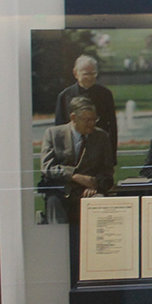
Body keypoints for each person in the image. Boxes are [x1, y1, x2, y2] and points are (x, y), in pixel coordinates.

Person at [40, 96, 115, 224]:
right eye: (87, 120)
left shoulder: (101, 137)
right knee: (54, 203)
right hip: (60, 192)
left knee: (100, 202)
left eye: (94, 119)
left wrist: (95, 184)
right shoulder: (53, 135)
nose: (92, 123)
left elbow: (107, 171)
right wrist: (74, 176)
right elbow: (47, 167)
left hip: (89, 192)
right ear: (73, 117)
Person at [54, 54, 118, 163]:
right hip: (72, 152)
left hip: (99, 151)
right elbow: (59, 128)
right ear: (75, 73)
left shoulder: (105, 94)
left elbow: (112, 126)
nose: (90, 77)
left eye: (93, 73)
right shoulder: (64, 96)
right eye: (86, 74)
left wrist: (111, 156)